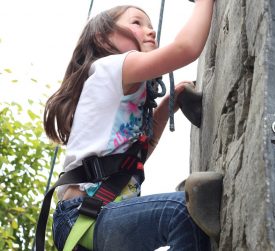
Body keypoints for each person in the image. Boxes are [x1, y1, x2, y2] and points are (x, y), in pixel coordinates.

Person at [42, 1, 215, 250]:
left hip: (95, 218)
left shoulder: (125, 94)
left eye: (151, 26)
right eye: (137, 23)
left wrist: (165, 108)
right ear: (102, 39)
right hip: (83, 216)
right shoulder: (108, 68)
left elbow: (136, 156)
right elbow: (186, 48)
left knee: (184, 214)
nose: (151, 31)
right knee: (184, 213)